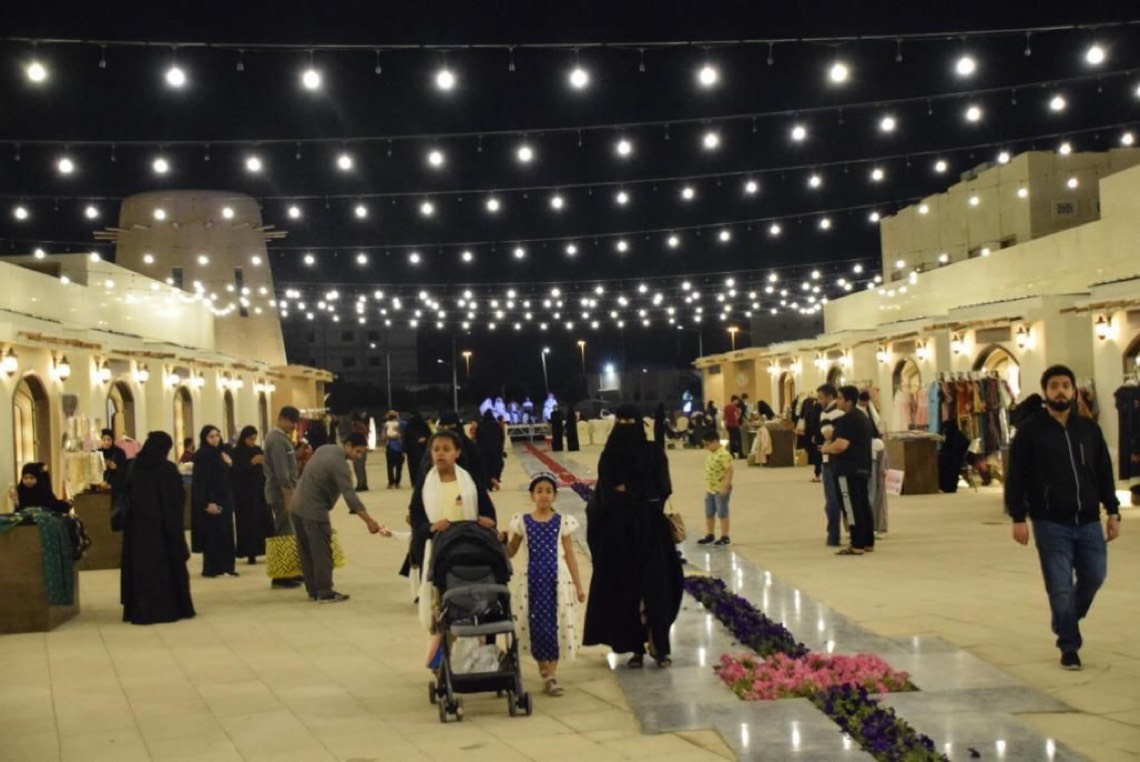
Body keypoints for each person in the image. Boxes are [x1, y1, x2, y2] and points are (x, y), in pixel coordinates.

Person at [1005, 365, 1121, 670]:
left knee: (1095, 576)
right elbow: (1016, 476)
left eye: (1065, 386)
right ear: (1045, 391)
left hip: (1089, 520)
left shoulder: (1089, 430)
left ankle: (1065, 618)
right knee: (1059, 587)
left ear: (1074, 391)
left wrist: (1113, 511)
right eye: (1054, 385)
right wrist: (1018, 516)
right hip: (1050, 522)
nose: (1060, 391)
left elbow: (1104, 474)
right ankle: (1069, 645)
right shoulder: (1030, 431)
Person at [584, 404, 683, 668]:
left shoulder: (653, 452)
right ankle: (634, 647)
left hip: (651, 534)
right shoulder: (609, 455)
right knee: (625, 592)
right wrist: (638, 493)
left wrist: (628, 491)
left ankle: (659, 647)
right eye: (622, 421)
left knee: (656, 589)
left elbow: (662, 488)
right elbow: (606, 494)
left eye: (631, 421)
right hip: (620, 536)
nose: (626, 426)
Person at [507, 472, 585, 697]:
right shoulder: (523, 522)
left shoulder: (562, 522)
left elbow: (570, 555)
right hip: (532, 580)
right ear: (532, 495)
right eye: (539, 491)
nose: (544, 495)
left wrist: (579, 586)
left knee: (557, 624)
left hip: (557, 580)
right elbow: (511, 551)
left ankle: (551, 674)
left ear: (555, 495)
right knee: (537, 625)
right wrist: (498, 542)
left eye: (548, 491)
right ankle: (545, 669)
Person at [410, 430, 498, 623]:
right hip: (439, 550)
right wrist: (432, 527)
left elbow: (489, 512)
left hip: (469, 547)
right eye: (436, 449)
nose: (440, 453)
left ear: (457, 453)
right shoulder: (425, 484)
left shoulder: (470, 481)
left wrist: (488, 522)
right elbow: (416, 517)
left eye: (446, 449)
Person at [290, 433, 387, 603]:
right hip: (314, 511)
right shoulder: (340, 465)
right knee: (322, 552)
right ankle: (325, 591)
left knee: (307, 551)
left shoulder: (324, 449)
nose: (359, 456)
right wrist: (369, 521)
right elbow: (350, 497)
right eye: (357, 451)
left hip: (296, 506)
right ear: (348, 445)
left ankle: (313, 590)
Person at [119, 431, 195, 625]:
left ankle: (140, 608)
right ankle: (168, 607)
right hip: (163, 530)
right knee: (164, 568)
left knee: (142, 569)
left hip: (138, 530)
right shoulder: (167, 469)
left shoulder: (133, 466)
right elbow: (177, 499)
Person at [822, 386, 875, 556]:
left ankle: (856, 543)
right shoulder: (862, 416)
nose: (837, 401)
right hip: (862, 467)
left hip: (848, 469)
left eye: (839, 398)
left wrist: (827, 448)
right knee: (863, 505)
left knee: (850, 506)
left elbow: (841, 445)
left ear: (849, 401)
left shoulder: (847, 419)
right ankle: (867, 541)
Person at [264, 406, 304, 589]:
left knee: (289, 531)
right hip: (281, 494)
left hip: (286, 493)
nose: (294, 426)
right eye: (292, 422)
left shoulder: (281, 438)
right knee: (283, 533)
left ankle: (291, 571)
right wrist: (288, 497)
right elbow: (281, 472)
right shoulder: (277, 440)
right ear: (282, 418)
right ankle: (281, 576)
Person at [191, 425, 238, 578]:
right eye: (211, 436)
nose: (215, 439)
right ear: (205, 438)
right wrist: (208, 502)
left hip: (225, 498)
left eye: (217, 435)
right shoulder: (202, 456)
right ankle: (212, 568)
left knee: (226, 532)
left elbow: (229, 477)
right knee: (212, 534)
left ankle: (227, 566)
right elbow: (202, 482)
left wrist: (230, 463)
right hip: (211, 499)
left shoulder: (222, 454)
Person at [230, 426, 273, 565]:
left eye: (254, 439)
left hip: (259, 493)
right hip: (244, 496)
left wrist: (263, 463)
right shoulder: (236, 453)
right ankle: (250, 553)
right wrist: (251, 463)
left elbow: (267, 469)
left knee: (264, 522)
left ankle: (266, 551)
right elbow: (236, 473)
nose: (252, 442)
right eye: (250, 439)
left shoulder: (257, 450)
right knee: (248, 524)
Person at [814, 385, 844, 545]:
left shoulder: (826, 413)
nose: (819, 401)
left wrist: (826, 441)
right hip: (845, 459)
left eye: (821, 398)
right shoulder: (847, 413)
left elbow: (827, 434)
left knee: (832, 500)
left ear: (830, 397)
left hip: (830, 460)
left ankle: (833, 535)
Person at [697, 428, 733, 546]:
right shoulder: (711, 454)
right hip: (710, 489)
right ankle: (710, 534)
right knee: (709, 512)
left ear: (715, 441)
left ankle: (725, 536)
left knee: (722, 513)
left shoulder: (724, 455)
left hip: (720, 489)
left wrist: (725, 486)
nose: (706, 447)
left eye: (707, 444)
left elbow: (729, 471)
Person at [476, 409, 506, 490]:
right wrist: (501, 449)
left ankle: (489, 481)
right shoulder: (497, 426)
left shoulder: (481, 426)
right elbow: (502, 438)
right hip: (496, 450)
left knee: (485, 466)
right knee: (498, 464)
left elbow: (478, 438)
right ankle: (495, 478)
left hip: (484, 450)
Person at [403, 411, 431, 487]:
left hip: (412, 450)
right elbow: (429, 435)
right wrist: (425, 439)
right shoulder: (424, 424)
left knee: (413, 466)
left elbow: (405, 438)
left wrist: (405, 449)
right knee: (423, 465)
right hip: (422, 449)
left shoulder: (409, 425)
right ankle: (422, 481)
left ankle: (414, 482)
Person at [98, 428, 129, 494]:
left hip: (115, 488)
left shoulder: (119, 452)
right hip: (99, 486)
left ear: (112, 440)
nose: (106, 442)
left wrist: (116, 468)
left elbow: (124, 470)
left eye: (109, 440)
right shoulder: (98, 453)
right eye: (104, 440)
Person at [383, 411, 405, 488]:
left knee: (392, 466)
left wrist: (389, 437)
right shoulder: (398, 424)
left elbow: (384, 436)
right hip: (395, 447)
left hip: (394, 447)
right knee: (396, 467)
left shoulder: (388, 425)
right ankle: (395, 482)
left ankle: (392, 482)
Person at [351, 414, 371, 491]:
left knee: (358, 467)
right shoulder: (363, 427)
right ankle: (364, 484)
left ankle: (360, 484)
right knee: (362, 467)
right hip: (363, 449)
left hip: (358, 449)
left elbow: (354, 438)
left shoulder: (357, 429)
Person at [723, 395, 743, 459]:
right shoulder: (734, 407)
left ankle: (731, 453)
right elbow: (737, 417)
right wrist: (740, 412)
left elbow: (724, 417)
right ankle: (740, 454)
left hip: (728, 425)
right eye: (737, 400)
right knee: (738, 440)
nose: (737, 402)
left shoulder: (726, 407)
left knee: (731, 440)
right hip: (734, 425)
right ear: (734, 400)